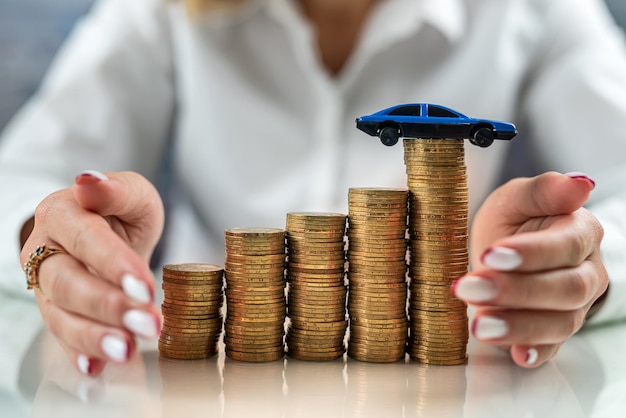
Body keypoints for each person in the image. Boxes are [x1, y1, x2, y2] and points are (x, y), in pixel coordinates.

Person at [0, 0, 624, 376]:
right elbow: (20, 176)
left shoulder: (537, 8)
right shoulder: (158, 10)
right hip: (216, 369)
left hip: (439, 374)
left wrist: (583, 264)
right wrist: (49, 235)